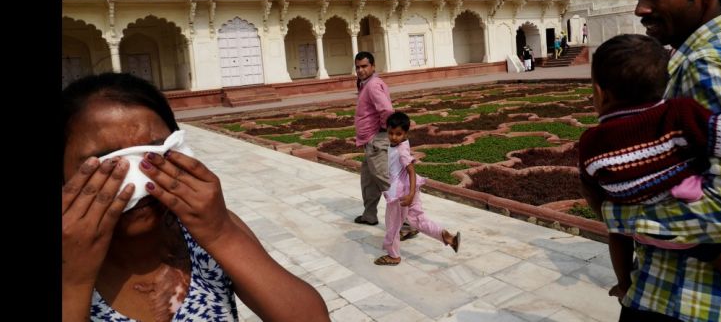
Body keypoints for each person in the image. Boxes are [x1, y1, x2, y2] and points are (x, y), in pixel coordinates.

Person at [62, 73, 329, 321]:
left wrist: (221, 234)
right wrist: (72, 282)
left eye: (155, 153)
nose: (139, 183)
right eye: (109, 165)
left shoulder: (203, 232)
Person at [609, 0, 721, 321]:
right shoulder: (699, 58)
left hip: (690, 300)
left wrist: (617, 210)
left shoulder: (705, 66)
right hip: (673, 287)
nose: (641, 9)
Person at [578, 35, 721, 314]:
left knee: (616, 232)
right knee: (714, 237)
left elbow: (591, 187)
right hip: (690, 221)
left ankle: (624, 283)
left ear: (601, 94)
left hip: (635, 228)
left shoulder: (591, 140)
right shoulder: (677, 113)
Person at [374, 112, 461, 266]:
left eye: (398, 134)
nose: (394, 137)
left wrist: (410, 194)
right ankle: (447, 237)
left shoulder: (401, 151)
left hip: (401, 194)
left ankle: (393, 255)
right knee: (418, 220)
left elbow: (411, 170)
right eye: (391, 133)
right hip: (407, 190)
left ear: (406, 133)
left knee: (393, 224)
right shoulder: (401, 144)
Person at [352, 52, 417, 239]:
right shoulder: (366, 84)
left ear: (372, 66)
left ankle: (408, 223)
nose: (360, 70)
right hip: (369, 141)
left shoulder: (372, 86)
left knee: (386, 181)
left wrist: (382, 131)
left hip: (376, 140)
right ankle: (369, 215)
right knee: (368, 180)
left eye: (364, 66)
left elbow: (387, 110)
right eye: (357, 67)